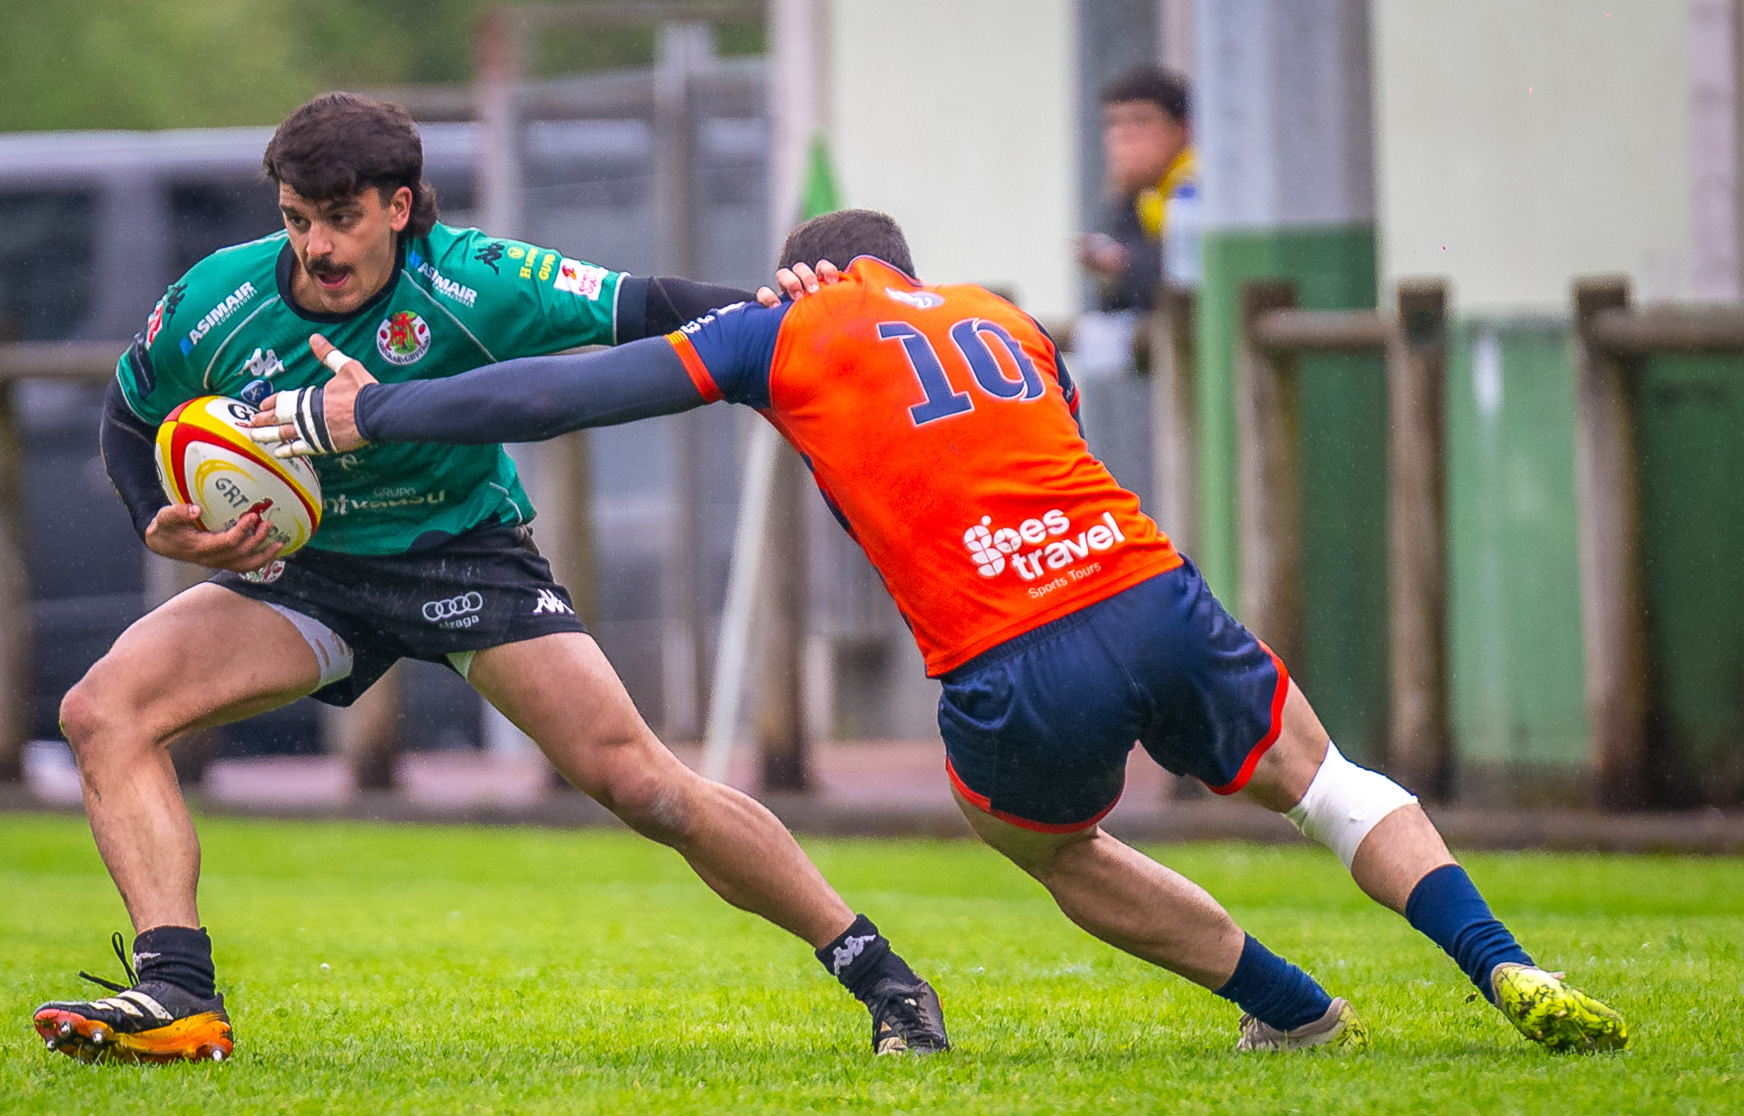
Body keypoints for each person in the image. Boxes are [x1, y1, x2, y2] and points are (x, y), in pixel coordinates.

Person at [253, 207, 1634, 1054]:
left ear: (805, 278)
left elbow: (563, 394)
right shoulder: (1005, 318)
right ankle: (1503, 960)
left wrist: (368, 410)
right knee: (1323, 783)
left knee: (1043, 839)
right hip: (1146, 585)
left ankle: (1298, 1011)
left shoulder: (779, 334)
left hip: (1005, 652)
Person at [32, 98, 947, 1065]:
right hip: (308, 572)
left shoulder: (479, 281)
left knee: (643, 786)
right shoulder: (218, 299)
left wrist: (811, 307)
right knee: (104, 712)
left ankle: (883, 977)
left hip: (465, 557)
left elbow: (656, 304)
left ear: (399, 205)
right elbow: (130, 414)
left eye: (341, 220)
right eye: (297, 219)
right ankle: (178, 992)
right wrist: (155, 519)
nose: (316, 249)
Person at [1075, 64, 1198, 311]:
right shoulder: (1140, 195)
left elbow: (1188, 271)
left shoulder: (1196, 182)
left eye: (1141, 121)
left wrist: (1125, 265)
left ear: (1183, 129)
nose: (1123, 136)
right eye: (1113, 123)